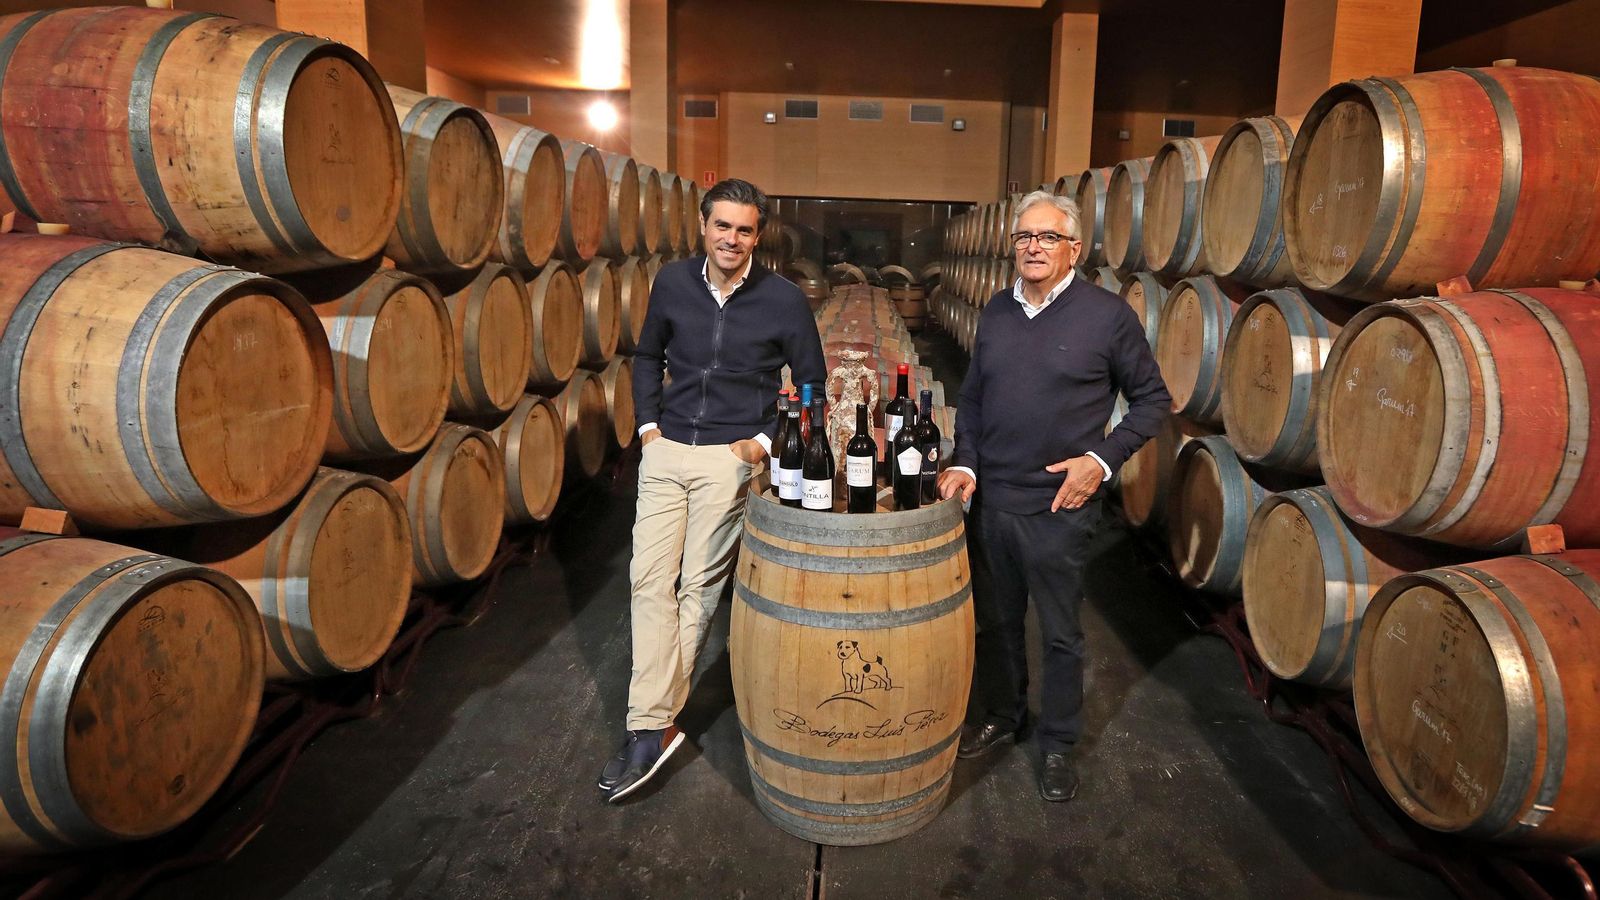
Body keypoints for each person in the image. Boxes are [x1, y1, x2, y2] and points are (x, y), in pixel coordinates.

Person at [598, 178, 827, 803]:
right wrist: (648, 427)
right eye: (722, 226)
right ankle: (656, 721)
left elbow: (813, 389)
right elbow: (648, 355)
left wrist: (760, 444)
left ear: (759, 235)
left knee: (696, 585)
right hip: (667, 448)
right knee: (648, 580)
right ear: (703, 226)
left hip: (730, 457)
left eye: (745, 229)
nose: (732, 239)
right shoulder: (673, 282)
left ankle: (649, 724)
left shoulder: (783, 299)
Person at [937, 190, 1169, 802]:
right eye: (1023, 237)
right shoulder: (995, 311)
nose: (1032, 248)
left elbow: (1152, 401)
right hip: (994, 501)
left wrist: (1100, 461)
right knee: (996, 620)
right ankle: (1004, 715)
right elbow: (977, 398)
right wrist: (967, 460)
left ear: (1074, 248)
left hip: (1060, 506)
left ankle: (1059, 742)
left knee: (1061, 632)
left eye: (1047, 238)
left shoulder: (1106, 316)